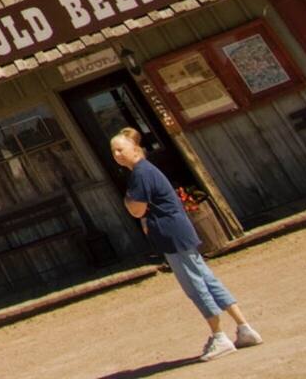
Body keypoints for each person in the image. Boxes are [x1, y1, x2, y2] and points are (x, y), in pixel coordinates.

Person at [111, 128, 262, 361]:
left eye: (121, 149)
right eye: (114, 151)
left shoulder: (141, 173)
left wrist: (129, 203)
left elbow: (137, 209)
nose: (117, 155)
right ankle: (244, 328)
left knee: (195, 284)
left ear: (135, 149)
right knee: (206, 278)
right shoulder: (146, 171)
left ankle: (219, 336)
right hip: (177, 231)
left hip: (171, 234)